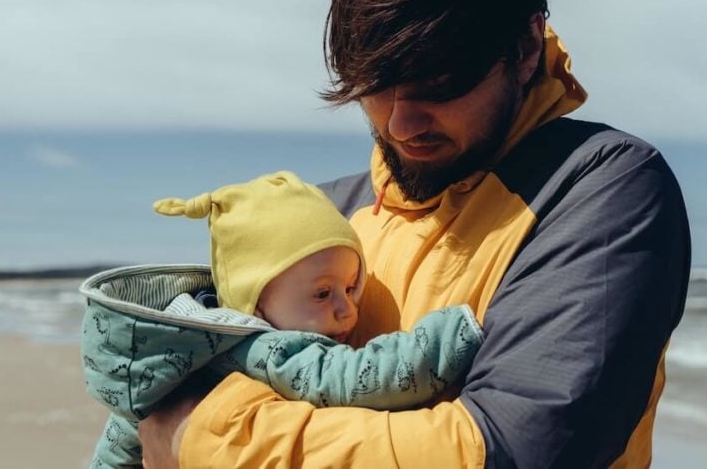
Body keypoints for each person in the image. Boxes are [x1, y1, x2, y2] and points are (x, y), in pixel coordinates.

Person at [139, 0, 691, 467]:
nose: (401, 124)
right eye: (374, 86)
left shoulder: (599, 188)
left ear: (524, 47)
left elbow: (511, 448)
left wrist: (203, 436)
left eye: (439, 83)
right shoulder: (324, 218)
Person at [81, 172, 482, 468]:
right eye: (323, 294)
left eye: (351, 287)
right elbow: (363, 378)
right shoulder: (270, 349)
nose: (347, 310)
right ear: (255, 304)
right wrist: (454, 333)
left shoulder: (182, 349)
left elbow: (117, 443)